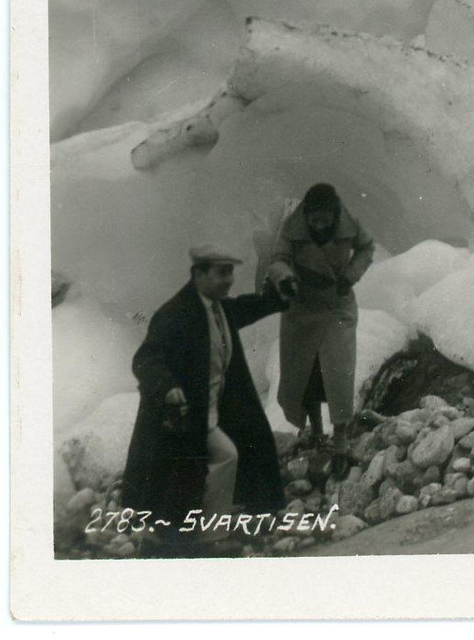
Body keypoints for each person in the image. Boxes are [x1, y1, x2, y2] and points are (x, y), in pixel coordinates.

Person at [120, 244, 287, 547]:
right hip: (186, 416)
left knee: (219, 460)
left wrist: (275, 300)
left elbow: (245, 308)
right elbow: (145, 359)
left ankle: (206, 531)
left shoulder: (217, 307)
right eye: (222, 273)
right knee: (200, 468)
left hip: (211, 411)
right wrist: (167, 386)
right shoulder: (175, 314)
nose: (229, 280)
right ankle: (198, 535)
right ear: (198, 274)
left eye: (231, 273)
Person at [267, 183, 375, 477]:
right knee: (305, 372)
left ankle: (340, 443)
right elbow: (277, 259)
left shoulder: (349, 225)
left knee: (338, 373)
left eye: (324, 220)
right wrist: (286, 278)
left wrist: (350, 275)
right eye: (314, 219)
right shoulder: (293, 228)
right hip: (301, 307)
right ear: (307, 215)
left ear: (334, 214)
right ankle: (315, 431)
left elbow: (367, 247)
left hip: (336, 305)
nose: (318, 225)